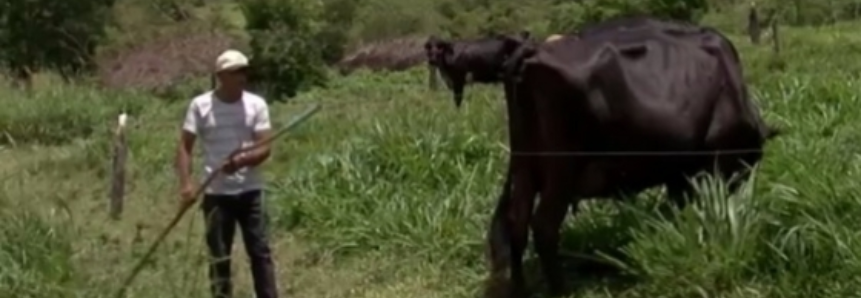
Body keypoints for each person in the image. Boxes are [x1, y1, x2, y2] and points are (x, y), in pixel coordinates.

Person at [174, 49, 278, 298]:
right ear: (221, 75)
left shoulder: (256, 105)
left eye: (244, 71)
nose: (242, 77)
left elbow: (265, 147)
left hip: (251, 191)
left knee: (260, 252)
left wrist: (241, 161)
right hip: (216, 194)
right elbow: (184, 147)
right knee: (219, 256)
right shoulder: (200, 105)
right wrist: (187, 185)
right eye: (235, 72)